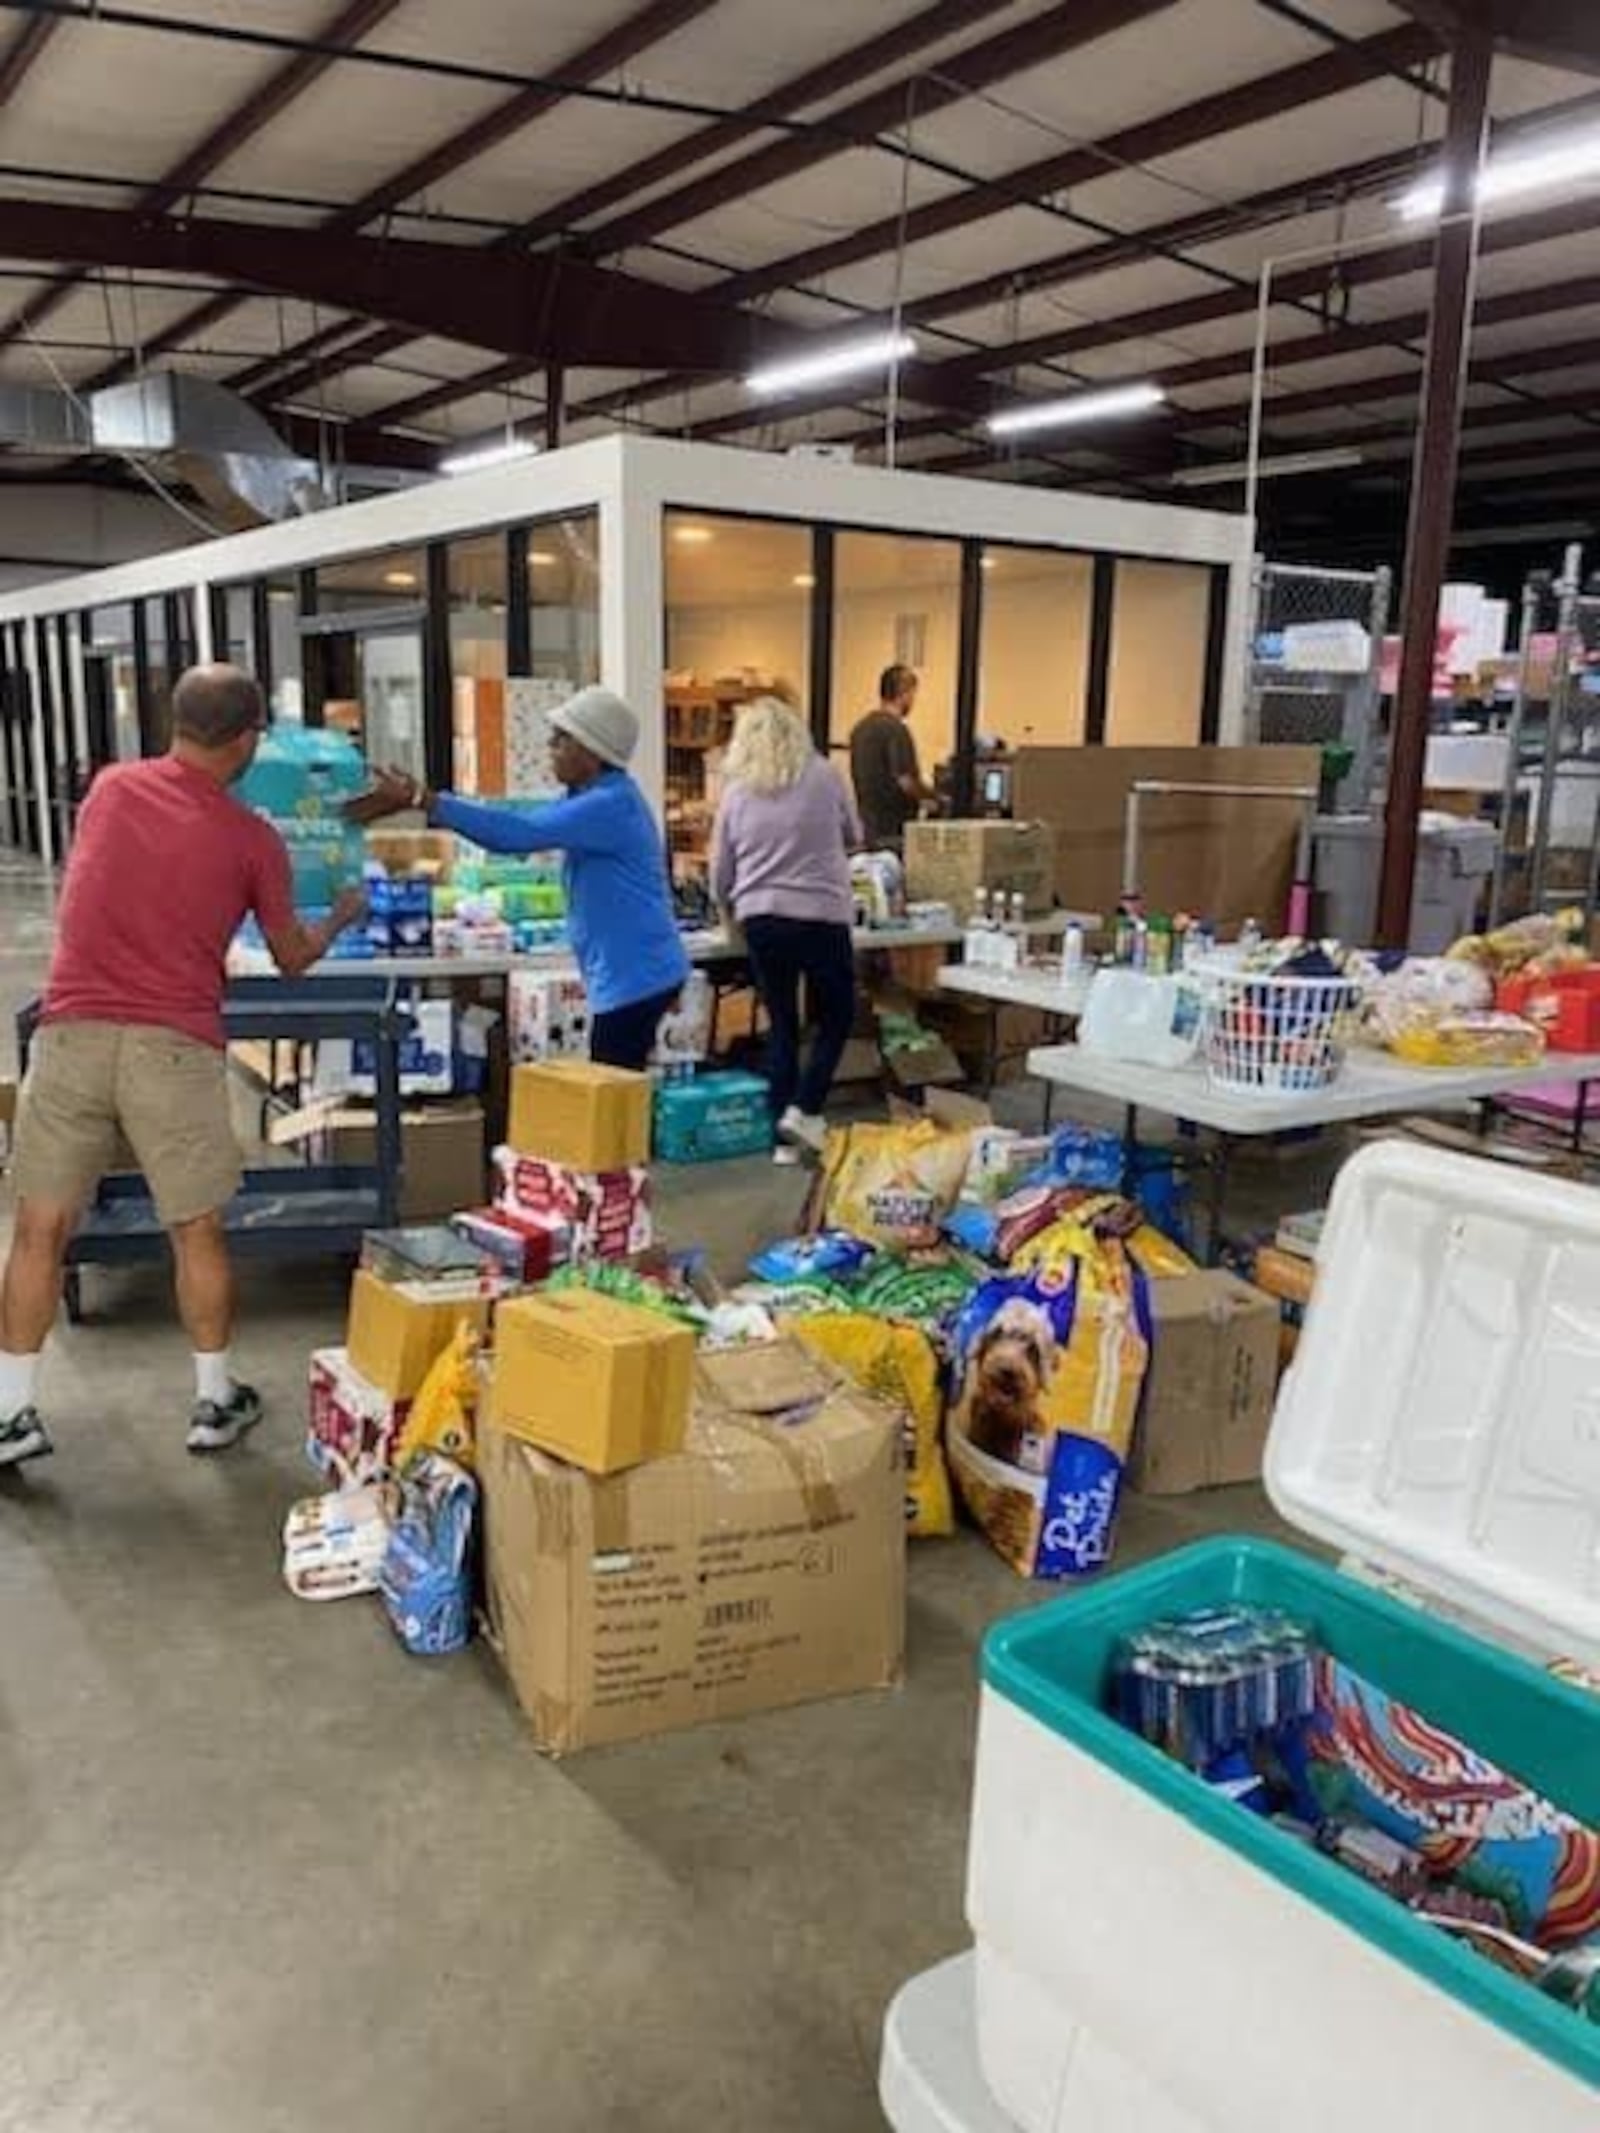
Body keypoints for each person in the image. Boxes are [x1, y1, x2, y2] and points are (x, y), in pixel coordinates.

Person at [0, 664, 367, 1470]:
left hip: (70, 1033)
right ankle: (212, 1400)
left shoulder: (108, 789)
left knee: (38, 1226)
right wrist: (341, 911)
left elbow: (114, 887)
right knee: (194, 1227)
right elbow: (292, 957)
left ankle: (11, 1410)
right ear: (246, 741)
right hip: (173, 1043)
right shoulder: (251, 838)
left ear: (174, 722)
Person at [350, 686, 687, 1072]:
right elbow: (518, 822)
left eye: (562, 739)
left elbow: (515, 835)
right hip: (636, 972)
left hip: (636, 978)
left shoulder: (606, 806)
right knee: (615, 1091)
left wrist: (426, 800)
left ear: (593, 753)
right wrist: (420, 801)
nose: (550, 746)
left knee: (610, 1097)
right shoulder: (592, 797)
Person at [711, 697, 859, 1165]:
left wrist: (726, 908)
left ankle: (782, 1141)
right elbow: (855, 834)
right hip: (822, 915)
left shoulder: (736, 792)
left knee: (781, 1024)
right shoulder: (826, 775)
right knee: (837, 1015)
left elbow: (721, 869)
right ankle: (806, 1107)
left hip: (761, 918)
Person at [850, 662, 935, 849]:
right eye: (913, 694)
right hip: (894, 830)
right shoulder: (896, 730)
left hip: (868, 828)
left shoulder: (860, 730)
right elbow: (905, 780)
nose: (913, 700)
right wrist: (933, 798)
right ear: (904, 693)